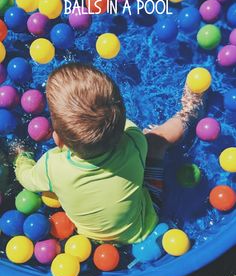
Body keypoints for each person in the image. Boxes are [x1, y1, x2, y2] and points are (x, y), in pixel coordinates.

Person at [14, 63, 203, 244]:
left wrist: (21, 155)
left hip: (89, 237)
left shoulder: (51, 167)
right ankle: (190, 110)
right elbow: (125, 129)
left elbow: (27, 178)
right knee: (156, 140)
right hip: (142, 226)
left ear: (58, 140)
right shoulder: (134, 141)